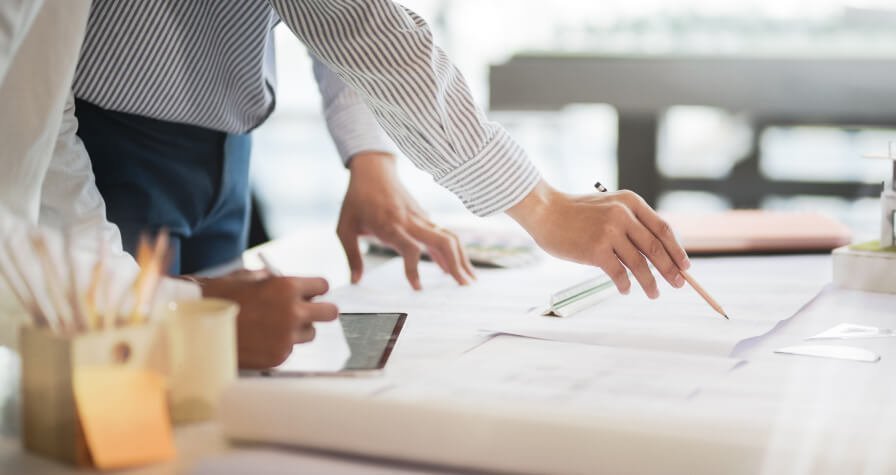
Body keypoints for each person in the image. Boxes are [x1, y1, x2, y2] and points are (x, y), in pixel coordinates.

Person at [73, 0, 691, 300]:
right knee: (124, 391)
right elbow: (361, 25)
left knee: (214, 390)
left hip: (230, 147)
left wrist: (371, 159)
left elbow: (339, 25)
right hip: (112, 147)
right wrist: (541, 205)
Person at [0, 0, 337, 369]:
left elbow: (43, 112)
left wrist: (178, 301)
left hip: (228, 146)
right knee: (118, 380)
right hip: (123, 141)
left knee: (207, 384)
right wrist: (183, 314)